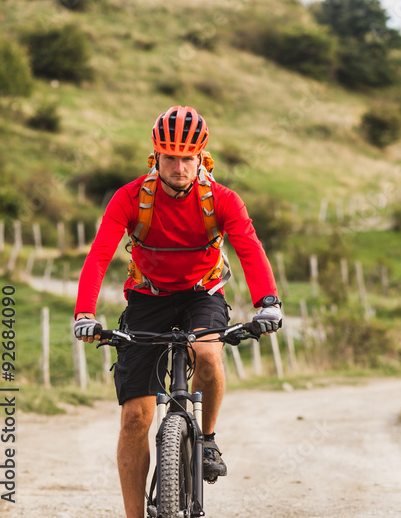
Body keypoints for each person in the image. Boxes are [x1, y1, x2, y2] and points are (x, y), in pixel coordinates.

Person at [73, 105, 282, 518]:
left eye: (188, 158)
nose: (179, 166)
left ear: (201, 159)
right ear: (156, 156)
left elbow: (248, 247)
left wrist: (268, 303)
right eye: (170, 157)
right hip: (147, 297)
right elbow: (99, 254)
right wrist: (84, 314)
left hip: (202, 294)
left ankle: (206, 440)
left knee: (207, 352)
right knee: (135, 417)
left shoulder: (221, 200)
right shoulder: (130, 198)